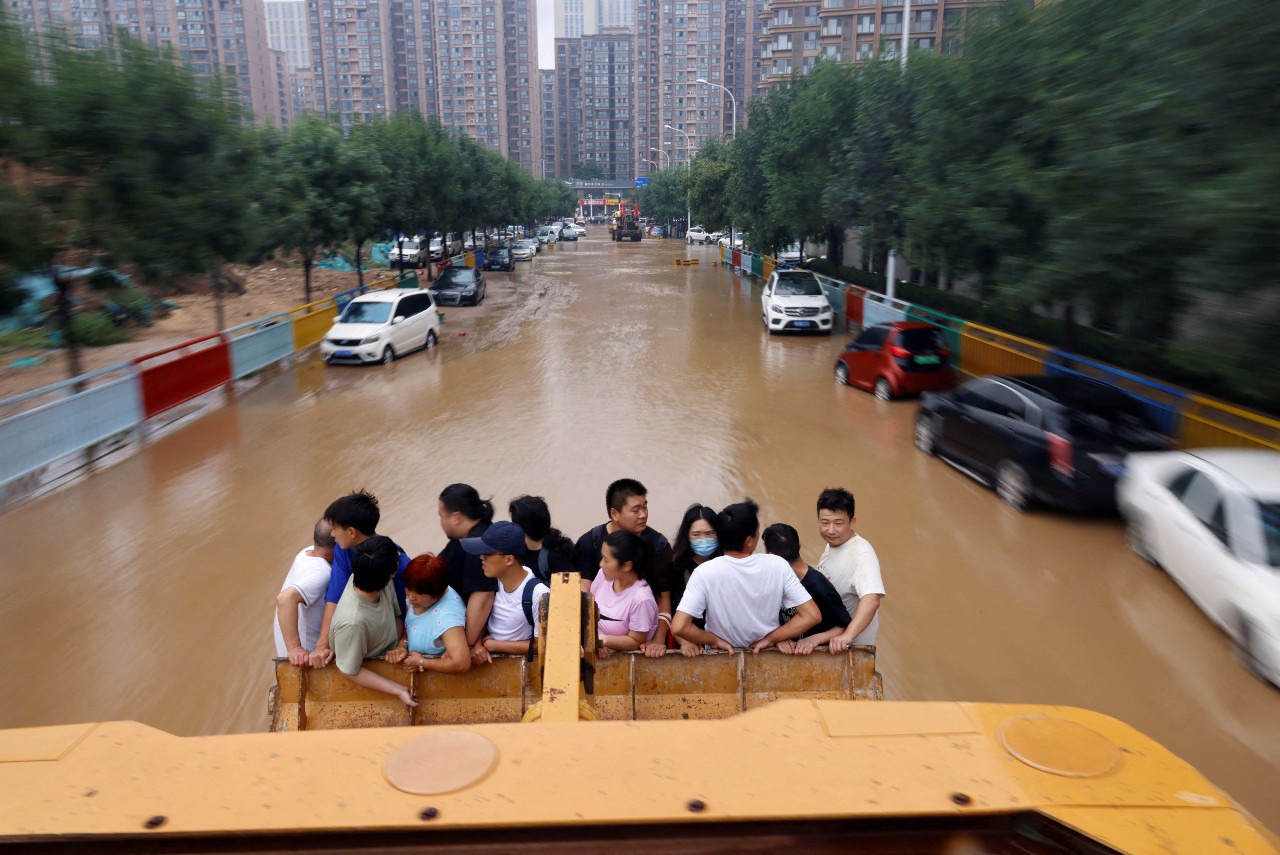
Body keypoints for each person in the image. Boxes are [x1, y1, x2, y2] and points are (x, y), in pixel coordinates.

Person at [671, 500, 820, 654]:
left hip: (722, 657)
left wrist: (714, 640)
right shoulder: (778, 565)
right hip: (766, 653)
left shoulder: (704, 572)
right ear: (750, 540)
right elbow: (812, 615)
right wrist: (770, 639)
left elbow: (679, 627)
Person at [309, 490, 411, 669]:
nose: (332, 534)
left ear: (351, 532)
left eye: (334, 528)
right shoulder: (343, 548)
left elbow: (413, 609)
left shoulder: (397, 565)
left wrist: (403, 643)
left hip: (394, 634)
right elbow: (334, 596)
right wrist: (321, 646)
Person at [574, 478, 673, 656]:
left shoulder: (658, 545)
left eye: (645, 507)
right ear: (615, 513)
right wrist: (590, 640)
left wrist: (657, 641)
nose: (643, 515)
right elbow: (585, 596)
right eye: (635, 510)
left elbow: (663, 599)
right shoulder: (591, 543)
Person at [329, 535, 416, 708]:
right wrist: (398, 690)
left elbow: (397, 615)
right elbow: (349, 671)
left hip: (393, 647)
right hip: (367, 661)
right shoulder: (352, 623)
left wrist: (401, 644)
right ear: (392, 574)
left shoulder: (374, 578)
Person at [461, 521, 549, 664]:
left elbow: (543, 645)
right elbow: (485, 616)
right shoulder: (494, 581)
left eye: (487, 553)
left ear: (509, 559)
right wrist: (477, 644)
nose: (481, 557)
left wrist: (494, 645)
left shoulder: (539, 595)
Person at [762, 522, 853, 655]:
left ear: (770, 555)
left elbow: (844, 626)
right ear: (799, 547)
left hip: (813, 654)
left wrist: (814, 640)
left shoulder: (819, 586)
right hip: (786, 649)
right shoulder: (773, 578)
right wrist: (779, 638)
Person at [815, 488, 885, 653]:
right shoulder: (833, 544)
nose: (831, 530)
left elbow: (872, 599)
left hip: (849, 650)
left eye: (838, 523)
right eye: (825, 522)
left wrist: (847, 636)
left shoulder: (862, 555)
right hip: (829, 640)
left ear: (852, 522)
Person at [437, 483, 499, 661]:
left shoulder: (478, 544)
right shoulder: (464, 538)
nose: (440, 521)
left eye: (441, 515)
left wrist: (467, 644)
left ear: (456, 517)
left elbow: (483, 596)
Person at [273, 518, 336, 666]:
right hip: (305, 657)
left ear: (314, 538)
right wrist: (295, 648)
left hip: (283, 648)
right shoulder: (321, 573)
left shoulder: (306, 552)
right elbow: (285, 598)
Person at [397, 554, 471, 675]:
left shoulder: (448, 618)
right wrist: (402, 644)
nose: (410, 597)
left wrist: (422, 662)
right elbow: (411, 622)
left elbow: (461, 663)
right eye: (408, 588)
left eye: (418, 594)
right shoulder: (419, 592)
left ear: (437, 594)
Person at [591, 530, 660, 656]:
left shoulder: (642, 599)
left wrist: (602, 641)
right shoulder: (603, 575)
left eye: (606, 560)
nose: (601, 564)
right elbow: (589, 610)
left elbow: (635, 641)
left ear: (627, 566)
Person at [667, 504, 722, 654]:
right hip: (689, 643)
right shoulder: (676, 568)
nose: (703, 540)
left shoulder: (728, 564)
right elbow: (670, 610)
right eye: (697, 535)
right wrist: (684, 641)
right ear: (687, 536)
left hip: (724, 643)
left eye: (710, 533)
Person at [509, 495, 575, 583]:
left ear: (523, 527)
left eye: (514, 523)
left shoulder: (557, 555)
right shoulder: (517, 552)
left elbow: (569, 587)